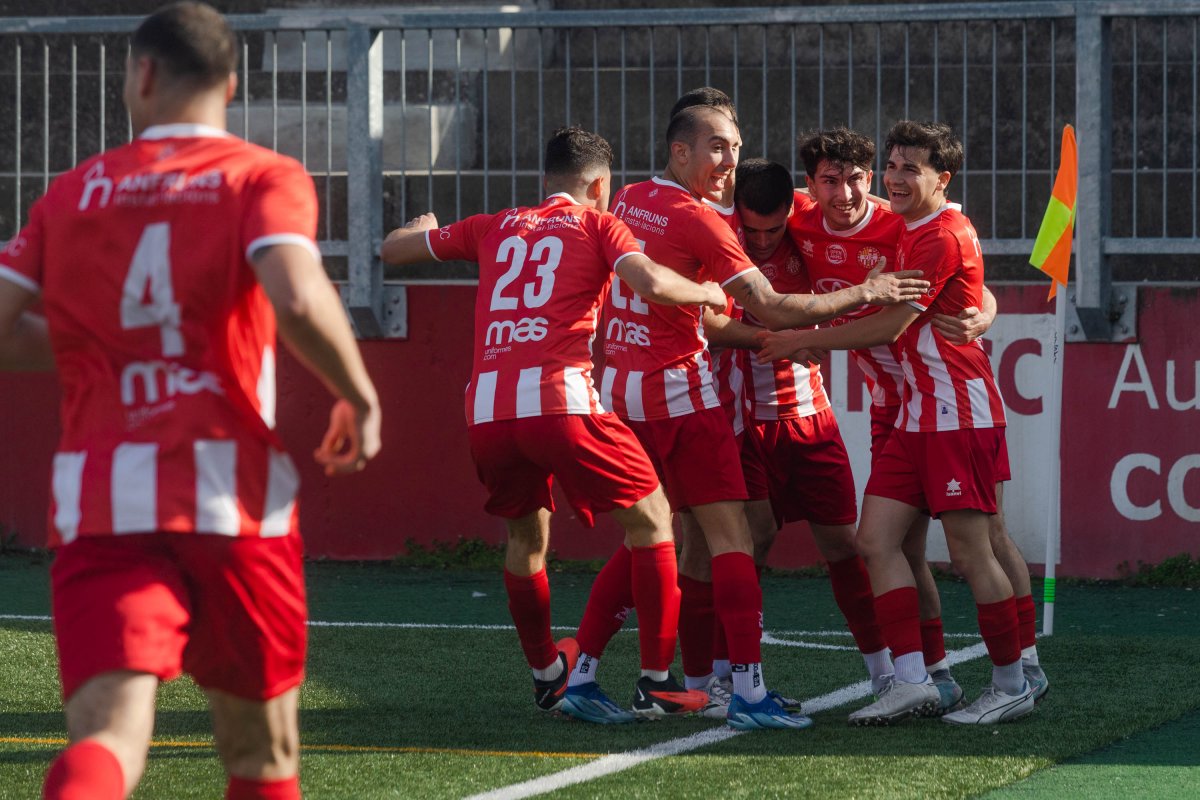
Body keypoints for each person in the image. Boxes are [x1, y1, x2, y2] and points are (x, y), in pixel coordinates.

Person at [0, 4, 382, 799]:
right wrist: (357, 395)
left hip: (103, 503)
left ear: (141, 74)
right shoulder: (262, 174)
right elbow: (299, 300)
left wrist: (93, 340)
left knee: (108, 737)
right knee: (262, 752)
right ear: (231, 85)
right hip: (233, 502)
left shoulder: (70, 194)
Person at [568, 103, 930, 730]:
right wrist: (795, 330)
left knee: (820, 542)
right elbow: (752, 314)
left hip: (781, 413)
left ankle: (883, 676)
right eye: (716, 147)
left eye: (733, 147)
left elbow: (939, 248)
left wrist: (983, 303)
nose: (762, 240)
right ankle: (722, 686)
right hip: (713, 409)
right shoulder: (712, 221)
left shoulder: (641, 199)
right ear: (681, 152)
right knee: (720, 543)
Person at [379, 126, 723, 723]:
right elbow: (650, 283)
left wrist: (418, 227)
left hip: (486, 411)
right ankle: (657, 681)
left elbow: (392, 251)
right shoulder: (599, 224)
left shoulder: (495, 225)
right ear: (598, 184)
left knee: (525, 541)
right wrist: (708, 292)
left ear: (546, 179)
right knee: (655, 522)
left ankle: (546, 674)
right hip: (560, 401)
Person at [757, 120, 1037, 725]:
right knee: (880, 543)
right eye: (891, 167)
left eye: (874, 176)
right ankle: (920, 677)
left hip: (952, 406)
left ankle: (1020, 673)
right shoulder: (824, 217)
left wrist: (984, 311)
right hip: (908, 406)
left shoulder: (913, 227)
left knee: (978, 542)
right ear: (812, 186)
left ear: (940, 178)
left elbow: (912, 313)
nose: (851, 192)